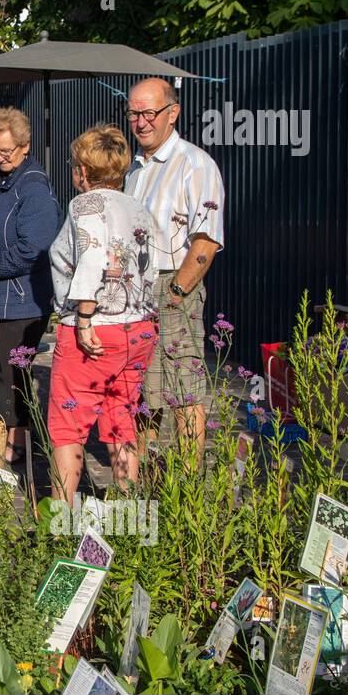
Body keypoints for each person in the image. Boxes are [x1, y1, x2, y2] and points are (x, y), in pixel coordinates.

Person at [48, 125, 157, 503]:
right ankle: (128, 516)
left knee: (68, 427)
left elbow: (94, 256)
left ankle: (59, 525)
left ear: (81, 169)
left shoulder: (85, 204)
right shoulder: (139, 208)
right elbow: (150, 266)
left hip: (94, 330)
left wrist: (83, 317)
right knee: (120, 418)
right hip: (138, 327)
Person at [123, 77, 225, 459]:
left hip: (173, 285)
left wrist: (177, 292)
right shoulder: (135, 168)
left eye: (149, 112)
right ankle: (149, 477)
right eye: (134, 113)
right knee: (142, 391)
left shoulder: (193, 164)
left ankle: (187, 486)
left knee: (183, 390)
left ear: (173, 112)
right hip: (134, 293)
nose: (141, 122)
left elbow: (206, 241)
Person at [0, 108, 61, 469]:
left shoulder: (33, 186)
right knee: (8, 373)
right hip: (2, 298)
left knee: (7, 376)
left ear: (25, 146)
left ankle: (5, 446)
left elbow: (34, 248)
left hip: (24, 299)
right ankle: (18, 440)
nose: (0, 159)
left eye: (7, 152)